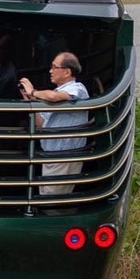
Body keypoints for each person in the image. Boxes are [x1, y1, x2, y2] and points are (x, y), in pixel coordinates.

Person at [18, 52, 89, 195]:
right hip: (51, 155)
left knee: (54, 202)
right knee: (46, 198)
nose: (50, 71)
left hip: (65, 156)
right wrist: (30, 101)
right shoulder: (55, 93)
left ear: (67, 71)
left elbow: (53, 97)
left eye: (54, 67)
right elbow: (41, 124)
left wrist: (33, 91)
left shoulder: (77, 88)